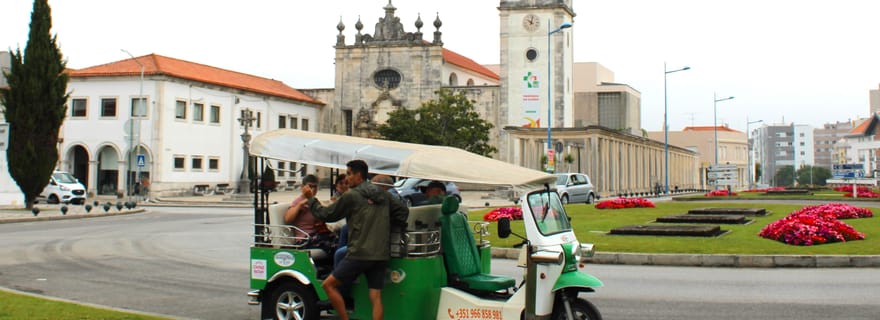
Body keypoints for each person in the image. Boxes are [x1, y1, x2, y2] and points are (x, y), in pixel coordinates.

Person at [303, 160, 408, 320]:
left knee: (328, 285)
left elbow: (326, 215)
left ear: (358, 175)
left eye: (349, 174)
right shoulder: (383, 194)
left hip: (359, 253)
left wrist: (311, 199)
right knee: (375, 296)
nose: (347, 178)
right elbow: (403, 212)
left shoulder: (352, 195)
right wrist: (386, 224)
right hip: (380, 253)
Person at [284, 174, 337, 255]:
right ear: (303, 187)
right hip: (304, 239)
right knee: (333, 243)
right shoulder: (299, 201)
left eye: (315, 187)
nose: (313, 189)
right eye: (310, 186)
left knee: (338, 238)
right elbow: (287, 219)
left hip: (317, 235)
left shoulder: (314, 201)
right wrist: (299, 206)